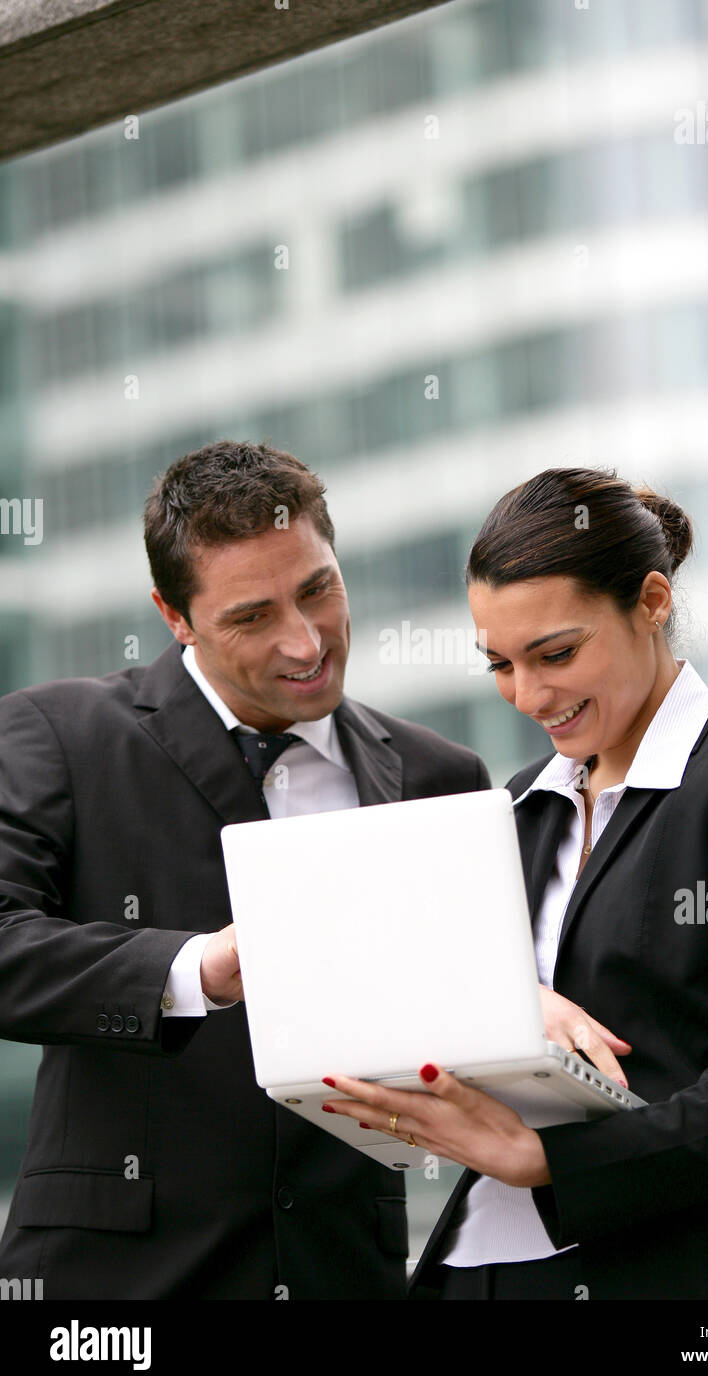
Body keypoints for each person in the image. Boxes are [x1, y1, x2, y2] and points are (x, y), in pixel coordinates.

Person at [323, 467, 708, 1300]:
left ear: (651, 602)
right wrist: (505, 1004)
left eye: (556, 654)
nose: (528, 695)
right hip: (474, 1267)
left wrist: (548, 1160)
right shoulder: (516, 807)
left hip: (665, 1265)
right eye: (499, 664)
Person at [0, 440, 490, 1300]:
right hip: (115, 1285)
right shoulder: (57, 734)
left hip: (344, 1272)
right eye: (251, 616)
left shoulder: (439, 775)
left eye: (318, 590)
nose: (305, 643)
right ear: (173, 615)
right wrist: (197, 970)